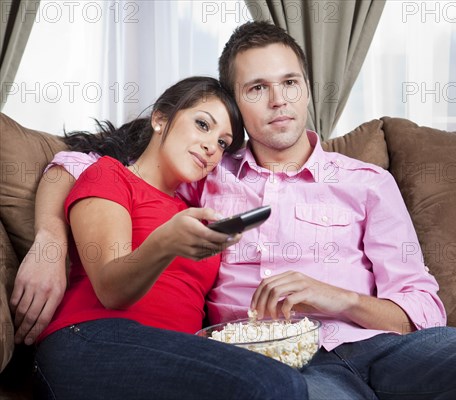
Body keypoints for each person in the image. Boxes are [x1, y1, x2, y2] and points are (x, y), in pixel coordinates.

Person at [13, 21, 456, 400]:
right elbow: (77, 164)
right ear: (236, 106)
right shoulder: (206, 173)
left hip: (384, 347)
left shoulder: (367, 181)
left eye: (290, 82)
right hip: (280, 363)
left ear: (307, 87)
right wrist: (49, 240)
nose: (279, 101)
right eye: (257, 89)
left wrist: (335, 297)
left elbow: (423, 305)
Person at [29, 76, 308, 399]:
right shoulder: (109, 174)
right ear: (160, 119)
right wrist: (165, 243)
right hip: (90, 337)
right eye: (203, 125)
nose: (211, 148)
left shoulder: (192, 211)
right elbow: (110, 289)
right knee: (277, 384)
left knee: (283, 377)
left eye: (222, 143)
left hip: (173, 350)